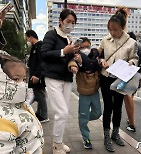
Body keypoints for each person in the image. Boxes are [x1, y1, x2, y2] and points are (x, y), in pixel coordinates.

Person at [98, 7, 138, 152]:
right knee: (108, 106)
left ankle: (116, 133)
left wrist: (131, 63)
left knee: (118, 107)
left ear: (123, 28)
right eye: (110, 30)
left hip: (122, 78)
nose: (113, 33)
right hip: (106, 77)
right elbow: (98, 55)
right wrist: (101, 61)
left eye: (116, 30)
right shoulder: (105, 40)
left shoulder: (131, 42)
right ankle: (106, 136)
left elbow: (135, 58)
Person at [41, 8, 78, 154]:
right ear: (61, 21)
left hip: (67, 78)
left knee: (65, 112)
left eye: (73, 23)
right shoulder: (51, 34)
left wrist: (75, 61)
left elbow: (69, 59)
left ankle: (60, 142)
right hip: (53, 78)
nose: (70, 25)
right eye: (68, 21)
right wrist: (64, 51)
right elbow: (44, 53)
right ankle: (56, 145)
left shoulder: (69, 39)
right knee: (61, 112)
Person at [0, 54, 44, 153]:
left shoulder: (22, 103)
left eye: (24, 79)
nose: (22, 84)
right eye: (16, 79)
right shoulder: (3, 120)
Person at [68, 37, 101, 149]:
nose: (85, 49)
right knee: (83, 116)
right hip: (83, 93)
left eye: (87, 46)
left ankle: (83, 120)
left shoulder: (95, 54)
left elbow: (95, 64)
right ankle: (86, 138)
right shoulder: (76, 57)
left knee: (97, 114)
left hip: (95, 91)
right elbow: (72, 62)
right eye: (82, 47)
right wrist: (73, 66)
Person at [25, 30, 49, 123]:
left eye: (27, 37)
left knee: (40, 95)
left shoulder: (40, 46)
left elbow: (41, 62)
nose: (27, 40)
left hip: (38, 76)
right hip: (34, 75)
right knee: (38, 94)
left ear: (31, 37)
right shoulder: (34, 47)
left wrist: (37, 75)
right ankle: (40, 113)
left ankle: (44, 115)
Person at [124, 31, 141, 133]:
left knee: (128, 99)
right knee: (130, 98)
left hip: (130, 76)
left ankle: (132, 123)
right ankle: (130, 119)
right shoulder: (139, 46)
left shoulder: (132, 48)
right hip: (138, 76)